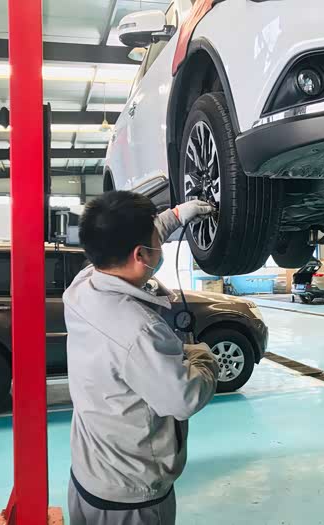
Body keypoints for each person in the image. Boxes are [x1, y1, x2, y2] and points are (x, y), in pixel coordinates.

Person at [64, 191, 219, 525]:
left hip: (89, 476)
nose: (159, 245)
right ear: (139, 254)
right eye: (155, 241)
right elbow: (184, 399)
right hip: (130, 498)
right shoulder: (139, 331)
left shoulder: (83, 285)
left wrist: (176, 215)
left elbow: (138, 238)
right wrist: (202, 356)